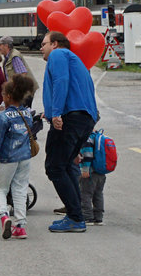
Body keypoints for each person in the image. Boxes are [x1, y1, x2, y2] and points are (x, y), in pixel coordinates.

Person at [40, 30, 98, 234]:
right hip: (83, 118)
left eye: (44, 43)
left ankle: (75, 217)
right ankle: (76, 214)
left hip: (69, 117)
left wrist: (56, 113)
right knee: (64, 165)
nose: (41, 48)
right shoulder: (76, 61)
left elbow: (61, 81)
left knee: (54, 166)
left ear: (55, 44)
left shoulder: (58, 55)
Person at [0, 74, 38, 240]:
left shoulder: (3, 117)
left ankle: (4, 216)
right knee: (20, 189)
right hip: (24, 157)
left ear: (8, 97)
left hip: (7, 158)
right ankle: (20, 226)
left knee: (0, 188)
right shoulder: (27, 114)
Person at [79, 128, 107, 226]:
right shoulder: (97, 135)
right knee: (98, 193)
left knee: (85, 193)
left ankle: (87, 217)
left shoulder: (87, 137)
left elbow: (87, 153)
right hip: (101, 171)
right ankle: (98, 217)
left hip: (90, 171)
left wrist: (85, 169)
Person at [0, 36, 34, 102]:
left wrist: (17, 92)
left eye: (0, 45)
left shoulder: (14, 57)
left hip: (23, 95)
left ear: (6, 46)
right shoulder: (8, 57)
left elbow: (22, 74)